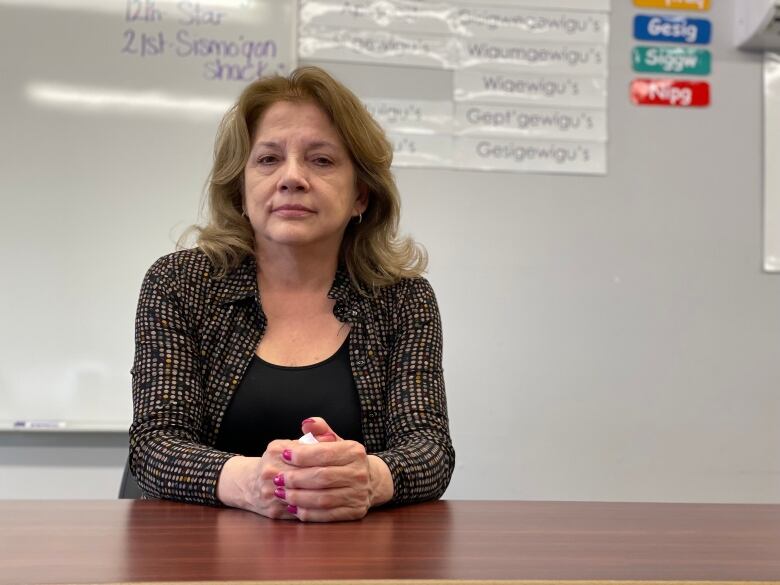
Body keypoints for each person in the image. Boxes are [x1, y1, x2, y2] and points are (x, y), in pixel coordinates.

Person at [129, 66, 454, 522]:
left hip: (357, 555)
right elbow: (155, 443)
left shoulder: (402, 298)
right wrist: (254, 481)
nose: (292, 177)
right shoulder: (180, 284)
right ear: (240, 189)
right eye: (268, 159)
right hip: (203, 554)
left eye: (321, 160)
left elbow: (430, 448)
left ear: (361, 194)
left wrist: (367, 477)